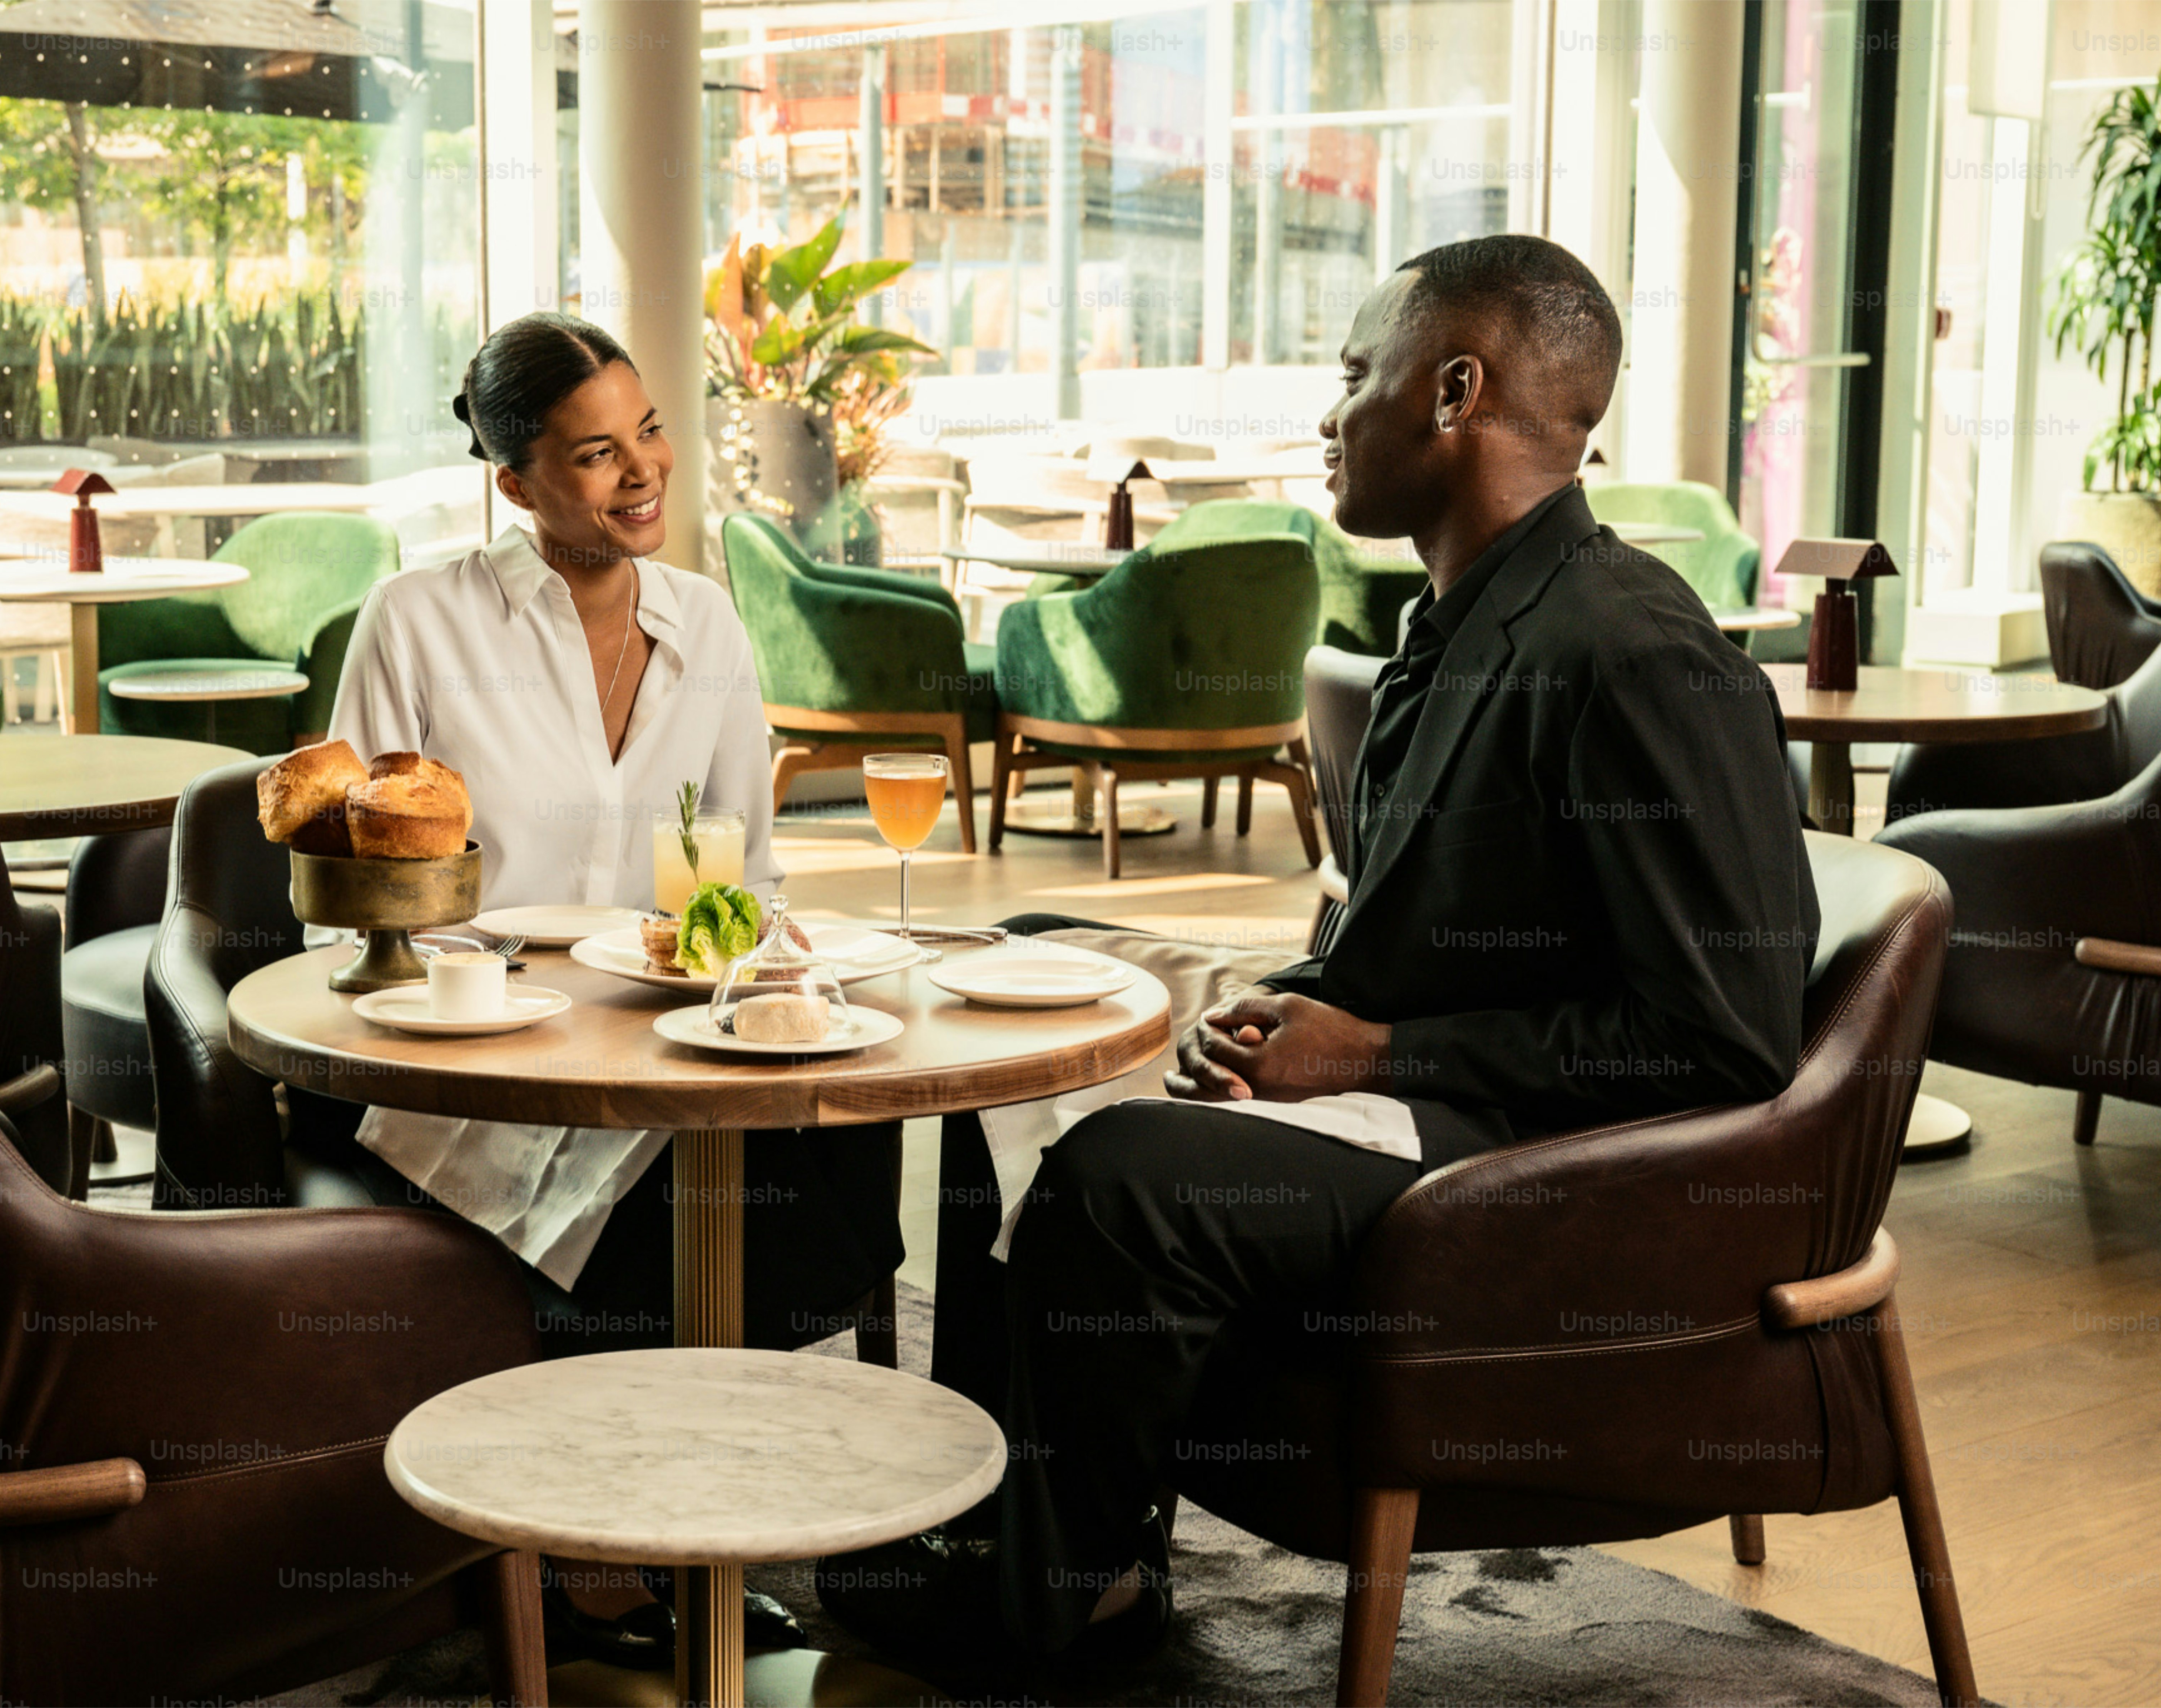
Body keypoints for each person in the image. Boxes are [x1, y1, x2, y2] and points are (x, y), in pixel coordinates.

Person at [819, 235, 1819, 1667]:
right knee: (1018, 1027)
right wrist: (1280, 1006)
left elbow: (1723, 1040)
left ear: (1454, 392)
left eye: (1357, 374)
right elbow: (1420, 939)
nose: (1331, 414)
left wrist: (1377, 1052)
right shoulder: (1460, 620)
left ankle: (1071, 1592)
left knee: (1121, 1174)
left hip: (1535, 1170)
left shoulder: (1633, 653)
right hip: (1429, 1104)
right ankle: (999, 1526)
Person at [321, 312, 904, 1667]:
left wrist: (770, 968)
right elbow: (362, 870)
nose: (643, 471)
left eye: (649, 432)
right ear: (515, 482)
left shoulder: (707, 621)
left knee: (850, 1151)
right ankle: (594, 1553)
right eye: (595, 454)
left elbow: (749, 869)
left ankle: (738, 1508)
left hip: (670, 1029)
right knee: (662, 1220)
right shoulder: (420, 621)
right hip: (474, 1047)